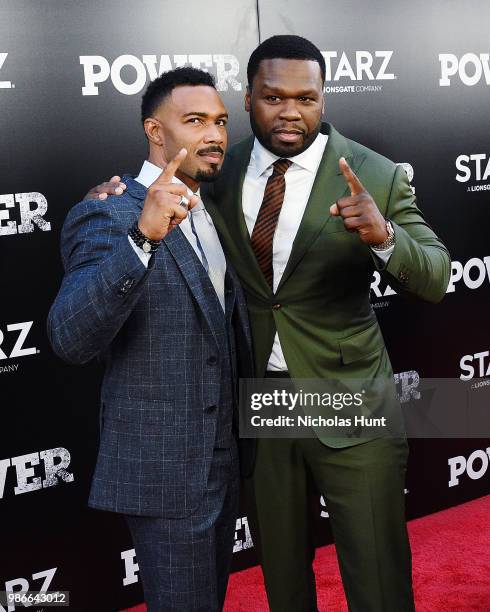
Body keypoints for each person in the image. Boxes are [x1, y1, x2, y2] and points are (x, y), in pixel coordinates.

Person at [87, 36, 451, 612]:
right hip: (260, 403)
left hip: (350, 397)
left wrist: (385, 237)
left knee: (377, 571)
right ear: (250, 99)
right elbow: (150, 198)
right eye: (272, 97)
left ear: (324, 100)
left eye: (305, 98)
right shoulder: (218, 168)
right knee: (281, 573)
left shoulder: (374, 174)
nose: (289, 112)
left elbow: (435, 277)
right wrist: (117, 199)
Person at [47, 67, 253, 612]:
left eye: (221, 122)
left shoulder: (214, 207)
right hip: (164, 467)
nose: (214, 135)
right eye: (194, 121)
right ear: (154, 131)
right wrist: (141, 239)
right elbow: (69, 336)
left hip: (224, 458)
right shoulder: (109, 212)